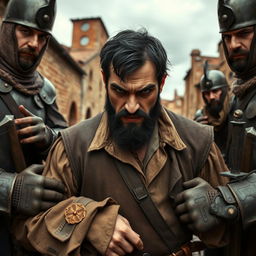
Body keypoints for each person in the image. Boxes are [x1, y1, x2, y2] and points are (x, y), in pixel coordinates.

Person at [13, 29, 229, 256]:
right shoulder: (72, 146)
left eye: (145, 92)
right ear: (105, 80)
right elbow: (29, 227)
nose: (132, 106)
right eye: (119, 91)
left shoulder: (199, 142)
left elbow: (234, 232)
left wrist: (216, 207)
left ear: (162, 83)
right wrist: (89, 223)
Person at [175, 1, 256, 255]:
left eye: (243, 34)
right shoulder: (240, 96)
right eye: (227, 37)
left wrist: (228, 199)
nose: (233, 45)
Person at [0, 0, 68, 255]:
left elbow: (69, 141)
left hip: (31, 235)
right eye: (26, 32)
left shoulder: (45, 91)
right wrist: (11, 190)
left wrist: (50, 137)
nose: (34, 44)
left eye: (42, 37)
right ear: (8, 30)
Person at [194, 61, 230, 156]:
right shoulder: (201, 116)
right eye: (207, 93)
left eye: (215, 91)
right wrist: (195, 132)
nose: (211, 97)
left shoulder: (235, 109)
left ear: (224, 90)